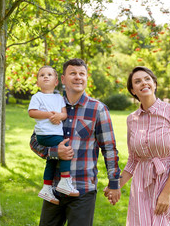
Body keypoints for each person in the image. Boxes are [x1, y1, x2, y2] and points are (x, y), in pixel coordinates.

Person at [30, 58, 121, 226]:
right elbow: (35, 142)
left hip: (83, 188)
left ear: (87, 78)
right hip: (54, 188)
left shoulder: (98, 109)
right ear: (63, 79)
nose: (78, 77)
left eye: (82, 74)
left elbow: (109, 148)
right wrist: (55, 152)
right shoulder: (51, 106)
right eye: (73, 73)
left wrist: (114, 182)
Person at [105, 66, 170, 225]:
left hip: (169, 182)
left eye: (147, 79)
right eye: (137, 81)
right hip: (141, 186)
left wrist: (166, 193)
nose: (143, 83)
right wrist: (115, 185)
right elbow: (133, 160)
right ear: (133, 90)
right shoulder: (132, 119)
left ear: (155, 84)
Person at [28, 66, 80, 206]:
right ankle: (65, 180)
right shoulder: (37, 97)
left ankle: (46, 187)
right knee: (66, 148)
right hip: (45, 134)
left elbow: (64, 114)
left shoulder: (58, 97)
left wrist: (59, 116)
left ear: (56, 81)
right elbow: (32, 112)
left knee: (51, 159)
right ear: (37, 82)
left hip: (55, 133)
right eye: (42, 75)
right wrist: (50, 115)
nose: (45, 77)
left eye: (49, 75)